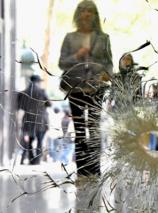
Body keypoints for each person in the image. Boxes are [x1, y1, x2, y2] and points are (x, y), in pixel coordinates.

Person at [58, 0, 113, 176]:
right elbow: (62, 63)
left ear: (95, 15)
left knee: (95, 129)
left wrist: (106, 74)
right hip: (75, 89)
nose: (87, 14)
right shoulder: (69, 37)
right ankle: (82, 170)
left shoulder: (104, 38)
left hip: (97, 89)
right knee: (80, 129)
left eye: (90, 11)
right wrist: (77, 55)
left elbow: (109, 64)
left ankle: (95, 169)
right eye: (83, 11)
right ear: (78, 14)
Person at [17, 75, 51, 165]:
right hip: (41, 121)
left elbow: (19, 106)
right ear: (38, 82)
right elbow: (49, 104)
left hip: (28, 120)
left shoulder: (23, 93)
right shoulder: (42, 92)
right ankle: (37, 160)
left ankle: (31, 158)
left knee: (30, 141)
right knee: (40, 141)